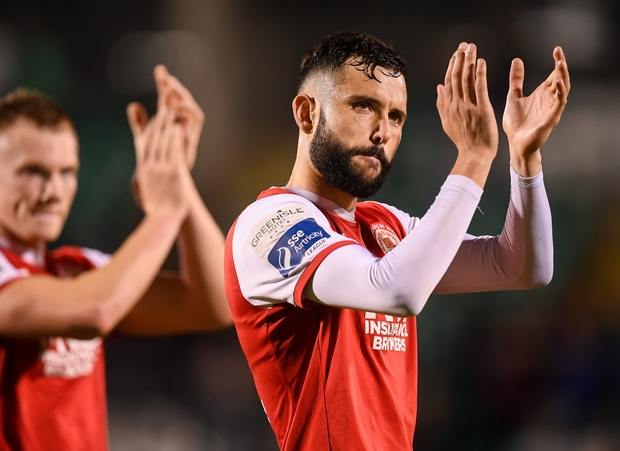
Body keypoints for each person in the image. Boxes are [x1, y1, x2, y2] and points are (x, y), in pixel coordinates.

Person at [225, 31, 570, 450]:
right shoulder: (269, 223)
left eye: (396, 117)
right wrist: (474, 157)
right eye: (363, 106)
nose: (382, 132)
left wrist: (524, 158)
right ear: (306, 114)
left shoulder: (383, 224)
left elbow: (522, 267)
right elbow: (396, 290)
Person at [0, 66, 232, 451]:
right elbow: (93, 312)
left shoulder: (78, 268)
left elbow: (214, 304)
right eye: (33, 172)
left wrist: (180, 183)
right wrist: (164, 212)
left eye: (67, 172)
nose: (53, 191)